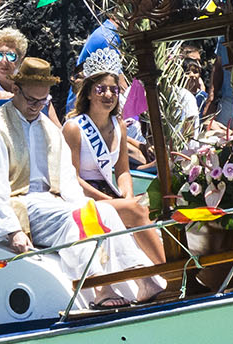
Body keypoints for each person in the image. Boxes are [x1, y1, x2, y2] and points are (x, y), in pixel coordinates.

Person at [0, 57, 164, 309]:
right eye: (32, 100)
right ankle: (99, 286)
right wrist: (12, 230)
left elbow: (67, 179)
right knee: (77, 218)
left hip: (54, 201)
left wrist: (81, 204)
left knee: (101, 210)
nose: (37, 107)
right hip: (20, 204)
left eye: (43, 101)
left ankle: (143, 277)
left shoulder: (48, 129)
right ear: (16, 90)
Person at [62, 57, 167, 264]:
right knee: (136, 210)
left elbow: (123, 171)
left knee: (158, 204)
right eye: (101, 89)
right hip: (84, 196)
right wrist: (112, 201)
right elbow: (72, 180)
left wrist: (126, 195)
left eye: (114, 89)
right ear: (90, 93)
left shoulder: (119, 125)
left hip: (112, 192)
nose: (108, 95)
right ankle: (167, 270)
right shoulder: (74, 128)